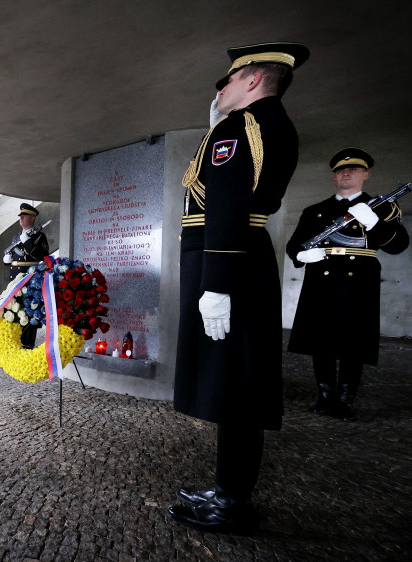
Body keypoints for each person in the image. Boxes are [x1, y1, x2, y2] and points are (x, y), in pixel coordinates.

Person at [169, 42, 309, 533]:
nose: (221, 89)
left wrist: (217, 285)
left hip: (228, 262)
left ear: (251, 80)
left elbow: (226, 202)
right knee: (233, 385)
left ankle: (231, 502)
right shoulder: (264, 126)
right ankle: (228, 488)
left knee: (240, 387)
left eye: (227, 81)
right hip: (236, 258)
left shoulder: (241, 128)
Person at [286, 148, 409, 421]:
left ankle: (344, 400)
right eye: (341, 170)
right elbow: (294, 245)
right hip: (321, 278)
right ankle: (325, 396)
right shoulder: (315, 211)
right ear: (334, 178)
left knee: (354, 342)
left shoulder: (383, 207)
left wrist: (374, 222)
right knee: (321, 340)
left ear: (365, 175)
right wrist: (301, 255)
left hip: (359, 282)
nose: (346, 172)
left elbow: (399, 245)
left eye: (354, 169)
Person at [3, 203, 50, 348]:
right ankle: (16, 346)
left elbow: (41, 256)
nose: (21, 218)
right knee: (15, 312)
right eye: (20, 216)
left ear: (32, 218)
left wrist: (27, 241)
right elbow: (14, 257)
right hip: (15, 281)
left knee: (29, 314)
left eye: (24, 216)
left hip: (30, 282)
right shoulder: (16, 237)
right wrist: (7, 260)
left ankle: (28, 346)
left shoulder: (39, 236)